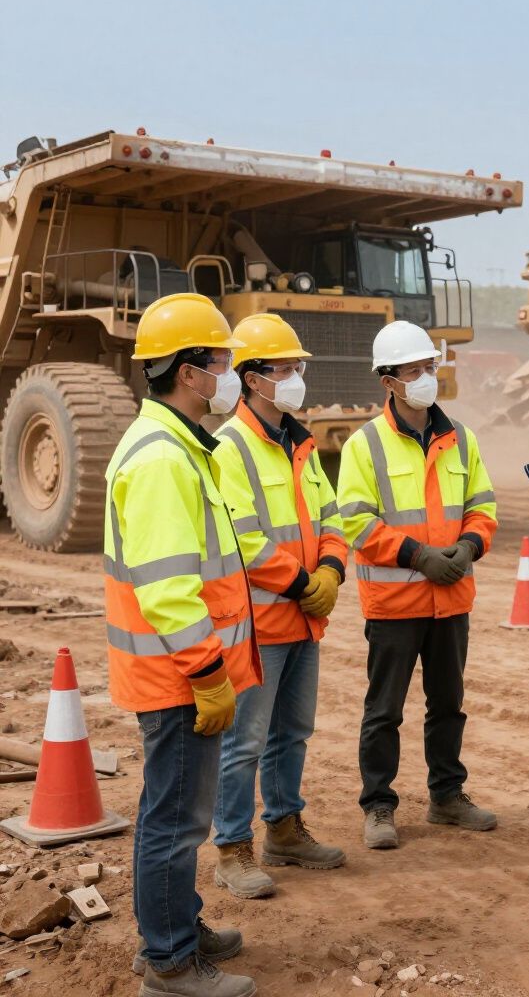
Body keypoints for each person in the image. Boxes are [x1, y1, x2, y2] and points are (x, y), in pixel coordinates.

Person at [104, 293, 261, 997]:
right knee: (174, 820)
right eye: (221, 360)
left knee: (175, 815)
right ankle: (168, 962)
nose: (229, 372)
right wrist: (207, 672)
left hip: (176, 671)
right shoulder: (165, 457)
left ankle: (175, 926)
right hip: (177, 674)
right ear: (190, 372)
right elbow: (168, 589)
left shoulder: (173, 444)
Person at [337, 320, 498, 850]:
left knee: (448, 703)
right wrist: (419, 556)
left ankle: (447, 797)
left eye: (429, 366)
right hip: (395, 602)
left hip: (451, 599)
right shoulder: (365, 445)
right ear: (389, 380)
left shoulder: (462, 438)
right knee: (384, 710)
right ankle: (379, 806)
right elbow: (356, 521)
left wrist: (468, 547)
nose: (426, 377)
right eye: (414, 370)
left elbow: (482, 506)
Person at [210, 313, 349, 899]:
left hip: (303, 619)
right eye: (284, 368)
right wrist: (301, 583)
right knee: (245, 741)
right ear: (251, 379)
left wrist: (333, 570)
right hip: (258, 622)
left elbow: (332, 517)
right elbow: (242, 536)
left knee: (292, 732)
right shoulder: (229, 446)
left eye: (297, 367)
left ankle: (285, 829)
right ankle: (232, 848)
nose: (295, 377)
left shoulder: (301, 443)